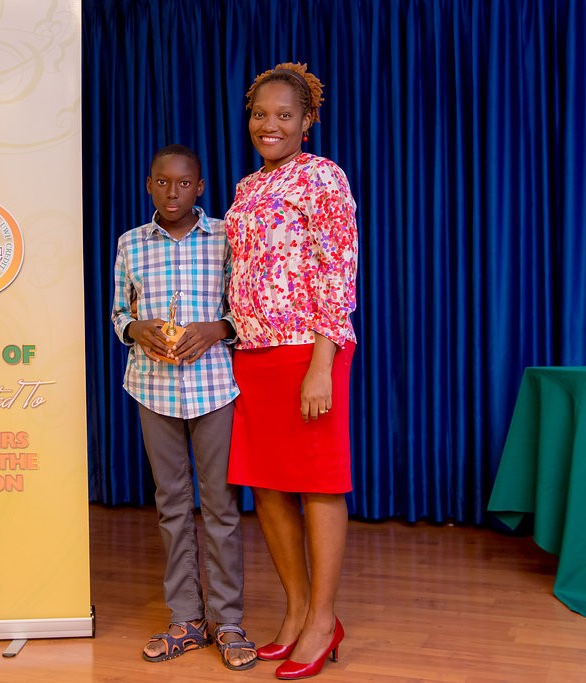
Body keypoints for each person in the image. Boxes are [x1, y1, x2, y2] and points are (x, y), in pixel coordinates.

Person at [223, 63, 358, 680]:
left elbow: (338, 272)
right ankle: (297, 608)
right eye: (260, 114)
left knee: (318, 483)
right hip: (253, 355)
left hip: (309, 351)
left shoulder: (323, 177)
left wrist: (321, 365)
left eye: (284, 115)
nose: (268, 125)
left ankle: (324, 620)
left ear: (308, 121)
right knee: (268, 484)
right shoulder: (246, 187)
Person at [111, 144, 257, 671]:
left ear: (200, 187)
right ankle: (186, 619)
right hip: (152, 389)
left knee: (220, 507)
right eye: (162, 182)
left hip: (214, 388)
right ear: (149, 184)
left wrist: (218, 328)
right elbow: (118, 314)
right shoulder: (131, 243)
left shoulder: (225, 237)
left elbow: (246, 309)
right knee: (171, 505)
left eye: (183, 183)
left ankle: (228, 621)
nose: (172, 192)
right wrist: (136, 330)